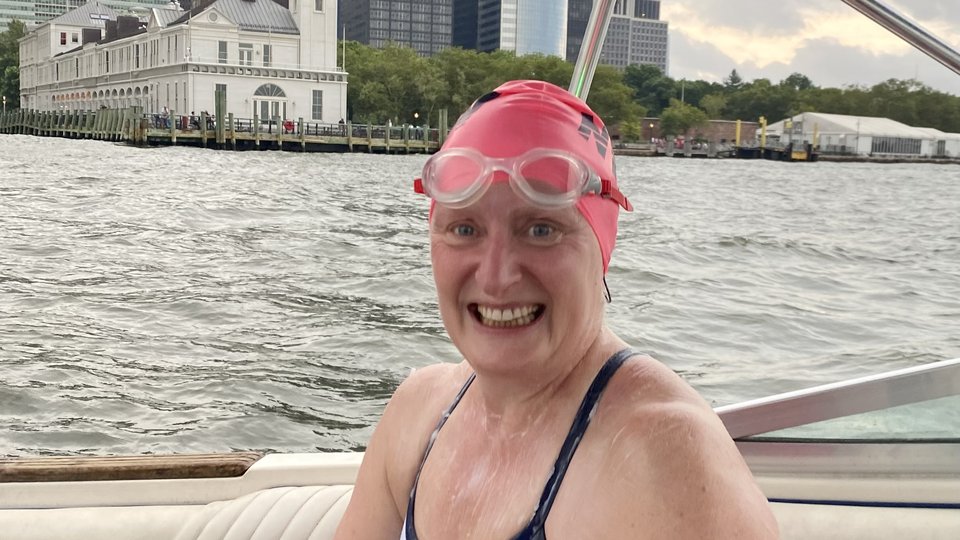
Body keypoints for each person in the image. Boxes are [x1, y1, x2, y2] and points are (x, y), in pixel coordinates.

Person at [334, 80, 778, 539]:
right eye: (464, 229)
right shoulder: (417, 412)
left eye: (541, 230)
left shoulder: (665, 460)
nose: (495, 276)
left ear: (601, 249)